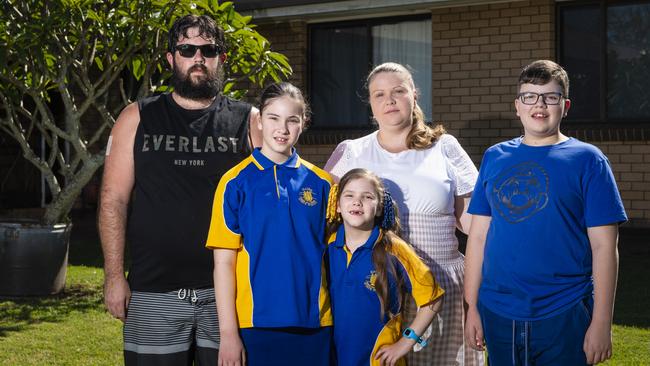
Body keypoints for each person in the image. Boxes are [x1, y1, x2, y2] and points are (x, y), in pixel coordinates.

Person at [99, 14, 261, 365]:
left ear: (222, 58)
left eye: (209, 49)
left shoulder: (249, 121)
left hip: (229, 295)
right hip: (152, 290)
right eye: (187, 49)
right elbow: (113, 201)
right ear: (172, 58)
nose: (198, 57)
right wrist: (113, 277)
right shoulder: (137, 117)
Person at [464, 60, 627, 365]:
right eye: (529, 96)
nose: (539, 104)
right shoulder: (495, 156)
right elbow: (477, 237)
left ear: (565, 106)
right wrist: (472, 306)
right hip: (497, 310)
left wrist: (602, 322)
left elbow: (605, 246)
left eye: (550, 97)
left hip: (564, 311)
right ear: (517, 105)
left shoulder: (588, 160)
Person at [325, 62, 484, 365]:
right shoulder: (352, 152)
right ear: (370, 104)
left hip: (443, 285)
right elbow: (325, 217)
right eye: (379, 94)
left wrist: (479, 296)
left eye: (398, 91)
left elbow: (475, 225)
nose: (390, 100)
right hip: (377, 288)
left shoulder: (444, 147)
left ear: (414, 94)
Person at [206, 82, 333, 366]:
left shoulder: (323, 184)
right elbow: (223, 264)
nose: (282, 129)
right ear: (259, 121)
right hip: (255, 324)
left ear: (304, 124)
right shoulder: (234, 183)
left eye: (292, 120)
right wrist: (228, 334)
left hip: (315, 321)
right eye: (273, 118)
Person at [325, 168, 445, 366]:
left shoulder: (394, 248)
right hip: (334, 357)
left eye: (367, 196)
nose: (357, 202)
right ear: (337, 205)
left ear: (380, 208)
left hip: (379, 360)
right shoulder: (327, 247)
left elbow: (433, 298)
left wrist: (406, 342)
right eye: (349, 195)